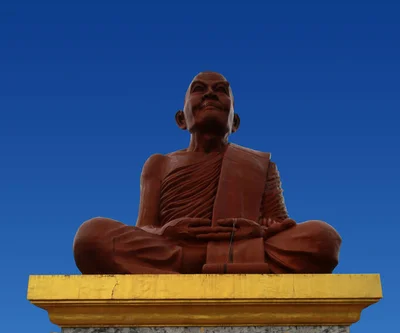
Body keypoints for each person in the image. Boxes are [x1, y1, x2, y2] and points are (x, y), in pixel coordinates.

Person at [73, 72, 341, 275]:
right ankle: (221, 262)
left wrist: (257, 230)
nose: (210, 95)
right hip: (178, 248)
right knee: (91, 236)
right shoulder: (159, 164)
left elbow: (280, 224)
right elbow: (144, 227)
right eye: (199, 90)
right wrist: (165, 232)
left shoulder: (259, 165)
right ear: (181, 119)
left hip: (240, 246)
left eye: (220, 90)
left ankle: (210, 260)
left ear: (234, 122)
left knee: (322, 238)